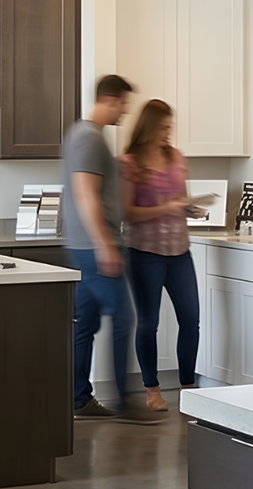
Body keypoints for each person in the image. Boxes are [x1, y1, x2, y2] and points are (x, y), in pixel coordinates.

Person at [63, 75, 163, 424]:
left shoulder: (82, 134)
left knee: (85, 324)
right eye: (123, 104)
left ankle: (78, 398)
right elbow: (86, 193)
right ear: (110, 99)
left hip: (84, 245)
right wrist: (105, 244)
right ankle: (124, 403)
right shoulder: (89, 138)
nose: (124, 112)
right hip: (94, 246)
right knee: (123, 318)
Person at [120, 99, 200, 413]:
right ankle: (152, 391)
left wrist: (189, 208)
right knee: (148, 324)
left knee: (191, 321)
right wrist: (166, 208)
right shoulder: (129, 163)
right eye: (164, 127)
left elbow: (179, 199)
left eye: (171, 127)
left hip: (180, 252)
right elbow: (127, 213)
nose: (169, 132)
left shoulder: (177, 158)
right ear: (149, 127)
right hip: (144, 253)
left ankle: (189, 387)